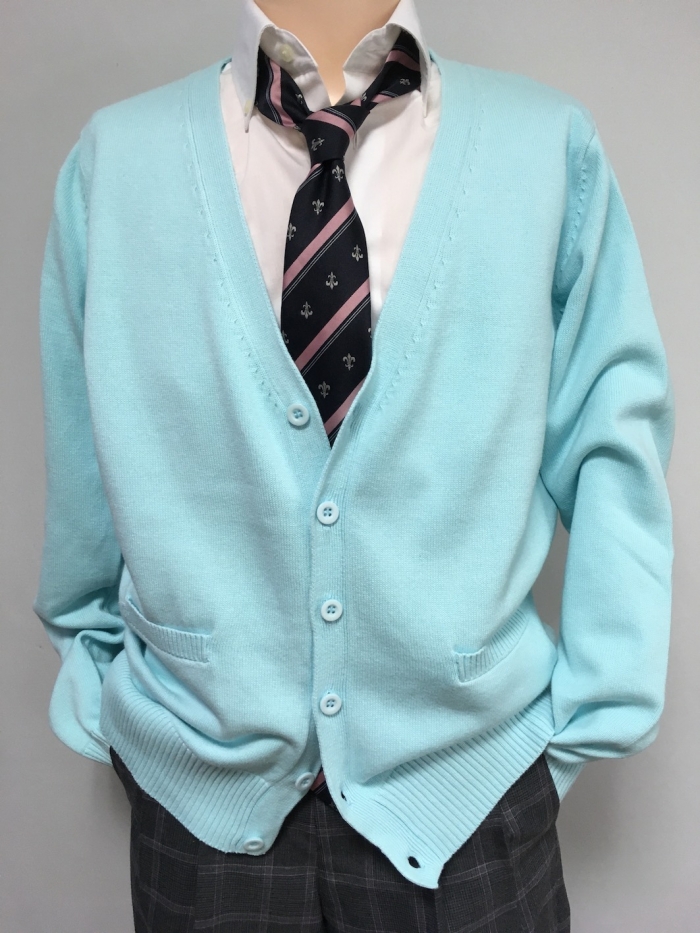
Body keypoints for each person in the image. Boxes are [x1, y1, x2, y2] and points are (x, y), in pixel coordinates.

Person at [33, 0, 675, 930]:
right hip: (200, 815)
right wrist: (112, 701)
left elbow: (615, 440)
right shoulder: (118, 161)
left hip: (475, 806)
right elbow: (82, 447)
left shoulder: (545, 147)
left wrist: (585, 719)